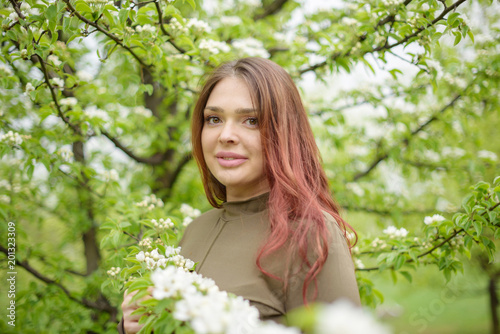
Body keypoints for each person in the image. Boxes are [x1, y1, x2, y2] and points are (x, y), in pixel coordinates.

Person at [119, 57, 361, 334]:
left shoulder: (311, 235)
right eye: (214, 119)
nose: (226, 135)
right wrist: (133, 326)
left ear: (284, 132)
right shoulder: (195, 231)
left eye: (251, 120)